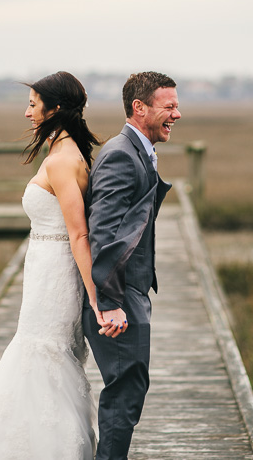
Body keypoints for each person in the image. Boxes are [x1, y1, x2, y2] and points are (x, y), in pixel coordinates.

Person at [0, 71, 109, 460]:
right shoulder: (60, 152)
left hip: (56, 275)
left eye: (32, 104)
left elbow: (79, 235)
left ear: (55, 109)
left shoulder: (63, 160)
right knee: (37, 353)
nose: (26, 112)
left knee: (41, 353)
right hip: (45, 267)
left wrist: (96, 297)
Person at [82, 71, 180, 460]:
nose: (177, 113)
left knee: (130, 388)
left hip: (129, 292)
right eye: (169, 106)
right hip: (118, 297)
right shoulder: (122, 155)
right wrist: (109, 302)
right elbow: (102, 234)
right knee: (126, 392)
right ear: (140, 108)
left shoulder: (137, 150)